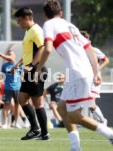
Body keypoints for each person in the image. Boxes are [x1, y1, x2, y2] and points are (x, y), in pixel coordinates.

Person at [36, 1, 113, 150]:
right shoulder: (70, 26)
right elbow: (89, 48)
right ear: (61, 12)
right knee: (62, 109)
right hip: (79, 73)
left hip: (78, 74)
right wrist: (96, 72)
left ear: (46, 15)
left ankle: (110, 134)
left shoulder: (49, 25)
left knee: (76, 117)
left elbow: (48, 49)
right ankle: (75, 147)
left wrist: (39, 68)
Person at [12, 7, 49, 140]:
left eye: (19, 20)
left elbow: (42, 48)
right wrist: (18, 65)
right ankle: (35, 128)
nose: (18, 23)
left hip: (37, 70)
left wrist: (32, 66)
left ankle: (44, 133)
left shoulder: (36, 30)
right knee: (22, 98)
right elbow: (29, 53)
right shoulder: (29, 31)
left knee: (37, 102)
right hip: (29, 69)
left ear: (27, 18)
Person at [81, 31, 110, 125]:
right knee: (89, 105)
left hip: (95, 79)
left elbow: (106, 60)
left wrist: (97, 71)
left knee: (91, 104)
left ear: (88, 40)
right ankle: (99, 121)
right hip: (85, 79)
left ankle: (102, 121)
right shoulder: (80, 52)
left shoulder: (94, 50)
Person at [1, 50, 27, 129]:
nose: (9, 55)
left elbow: (22, 75)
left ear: (14, 56)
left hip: (17, 88)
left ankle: (16, 123)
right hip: (7, 88)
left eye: (11, 54)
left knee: (17, 105)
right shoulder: (4, 65)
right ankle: (5, 123)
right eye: (8, 54)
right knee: (6, 105)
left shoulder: (19, 64)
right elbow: (2, 75)